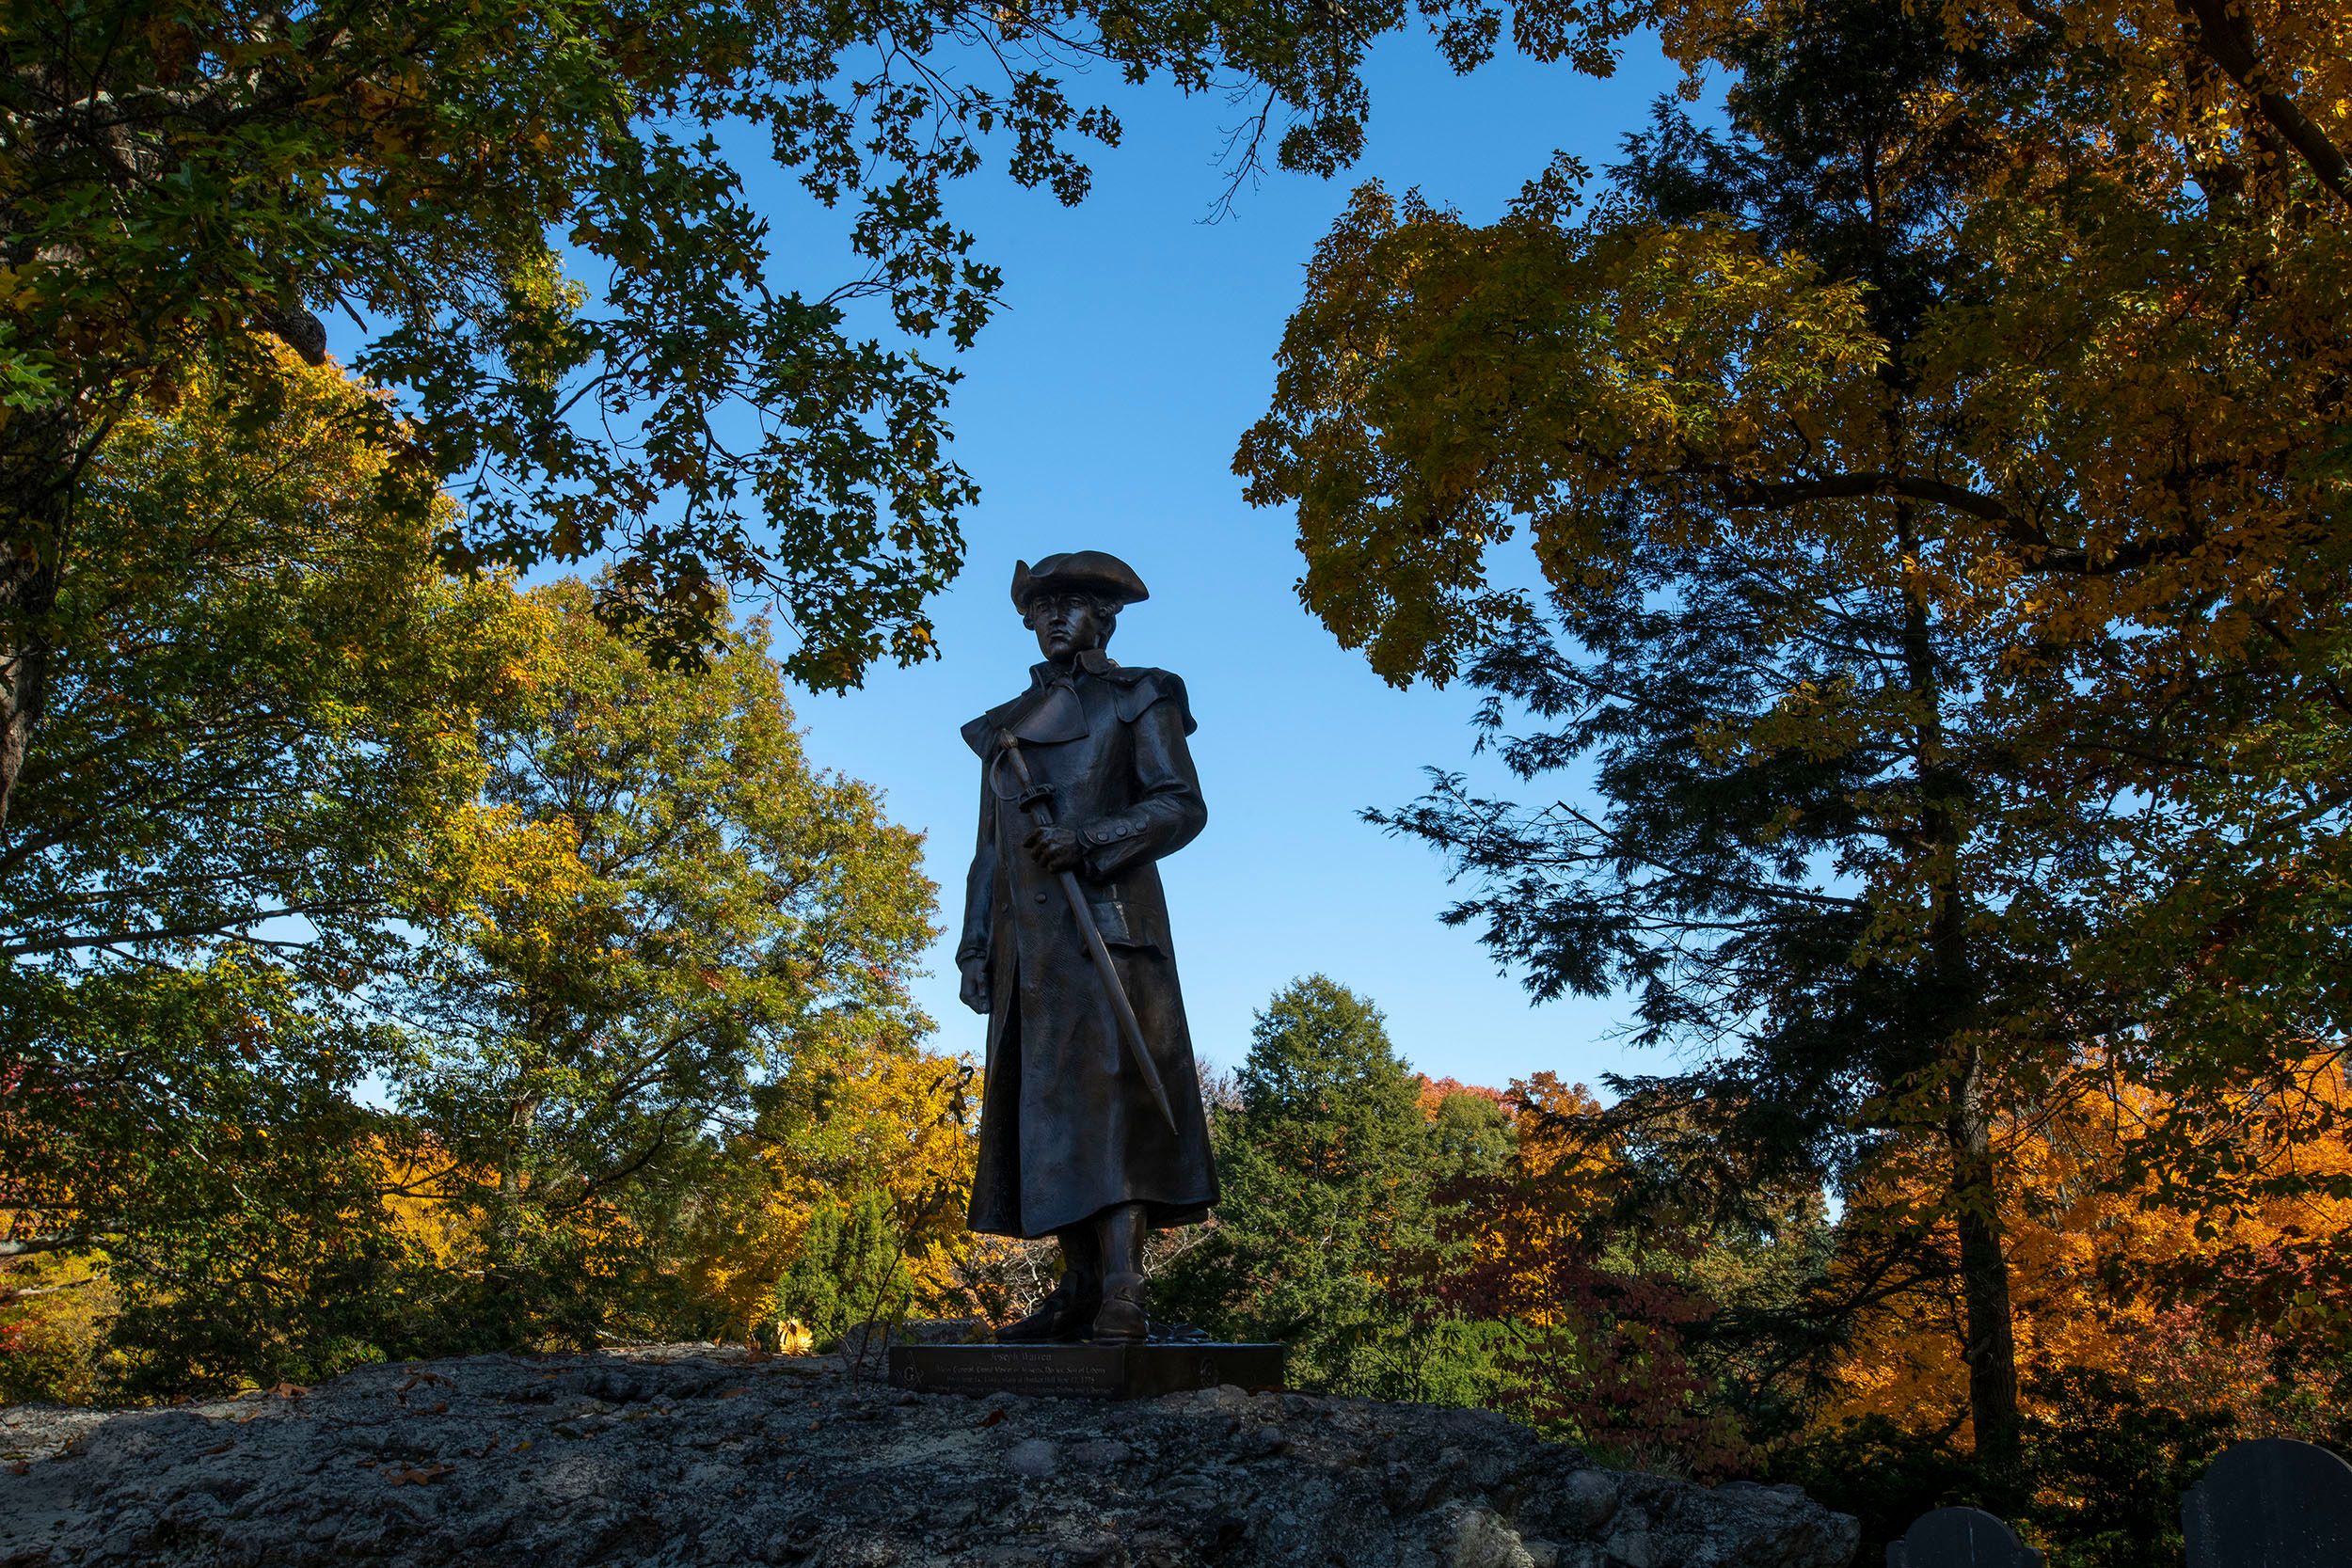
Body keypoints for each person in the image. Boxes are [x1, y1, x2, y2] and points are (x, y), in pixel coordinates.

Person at [956, 550, 1217, 1343]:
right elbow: (988, 848)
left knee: (1114, 1108)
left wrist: (1092, 838)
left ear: (1106, 618)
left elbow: (1181, 804)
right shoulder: (1006, 729)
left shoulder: (1141, 696)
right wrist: (975, 946)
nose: (1057, 616)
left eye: (1074, 603)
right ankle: (1075, 1286)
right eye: (1044, 605)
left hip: (1108, 928)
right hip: (1029, 949)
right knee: (1044, 1112)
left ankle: (1123, 1289)